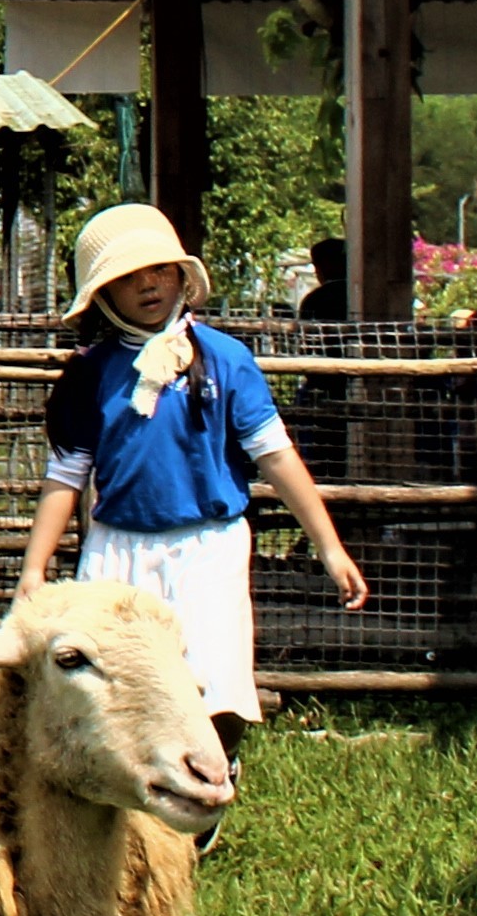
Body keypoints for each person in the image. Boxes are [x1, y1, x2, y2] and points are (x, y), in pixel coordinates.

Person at [19, 205, 372, 810]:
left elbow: (277, 457)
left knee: (219, 683)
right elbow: (65, 477)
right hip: (119, 551)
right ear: (103, 294)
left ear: (183, 277)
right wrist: (35, 568)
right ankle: (134, 803)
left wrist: (329, 545)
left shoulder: (227, 360)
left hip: (209, 545)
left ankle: (215, 774)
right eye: (129, 277)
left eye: (159, 270)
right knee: (115, 690)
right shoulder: (91, 374)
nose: (148, 285)